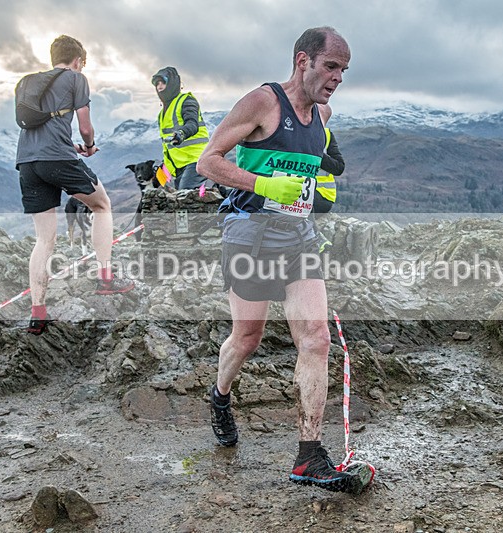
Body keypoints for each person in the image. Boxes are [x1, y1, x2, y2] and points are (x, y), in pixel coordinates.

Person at [196, 26, 358, 493]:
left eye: (344, 71)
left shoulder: (323, 114)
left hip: (298, 238)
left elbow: (324, 164)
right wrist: (264, 184)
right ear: (303, 60)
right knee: (247, 338)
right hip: (249, 233)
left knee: (317, 337)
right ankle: (221, 396)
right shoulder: (263, 102)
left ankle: (308, 456)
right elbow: (209, 161)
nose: (338, 78)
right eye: (332, 67)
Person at [16, 35, 134, 335]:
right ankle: (105, 279)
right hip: (58, 159)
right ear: (78, 60)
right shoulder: (76, 78)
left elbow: (44, 126)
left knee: (44, 240)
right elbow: (85, 126)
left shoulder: (29, 82)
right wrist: (89, 145)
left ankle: (38, 314)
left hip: (28, 162)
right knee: (102, 205)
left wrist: (70, 147)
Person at [152, 66, 216, 191]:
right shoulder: (161, 114)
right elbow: (167, 145)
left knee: (185, 195)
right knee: (182, 200)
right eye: (156, 83)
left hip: (196, 159)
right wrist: (164, 167)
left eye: (163, 82)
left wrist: (181, 133)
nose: (159, 86)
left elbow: (192, 124)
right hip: (178, 165)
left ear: (172, 83)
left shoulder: (186, 100)